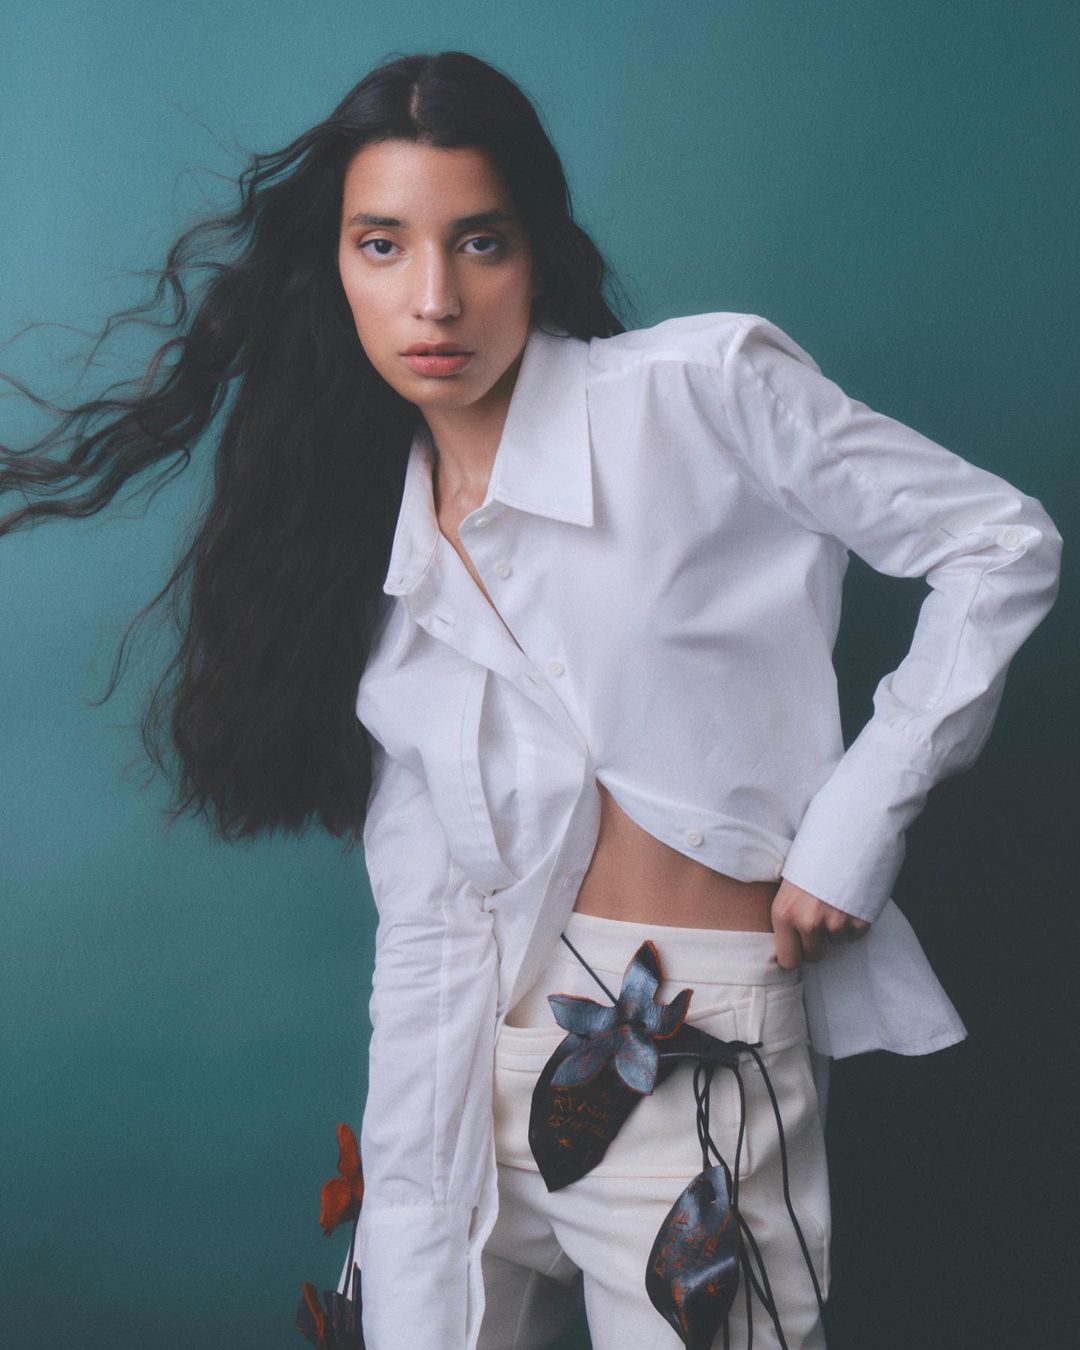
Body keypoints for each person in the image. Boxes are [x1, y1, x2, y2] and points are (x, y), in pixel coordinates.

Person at [1, 49, 1061, 1350]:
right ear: (335, 271)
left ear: (537, 253)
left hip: (697, 1047)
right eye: (382, 245)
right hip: (466, 1062)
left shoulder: (699, 391)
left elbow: (999, 542)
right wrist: (407, 1181)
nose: (433, 298)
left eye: (479, 242)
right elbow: (427, 907)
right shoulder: (368, 551)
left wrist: (856, 823)